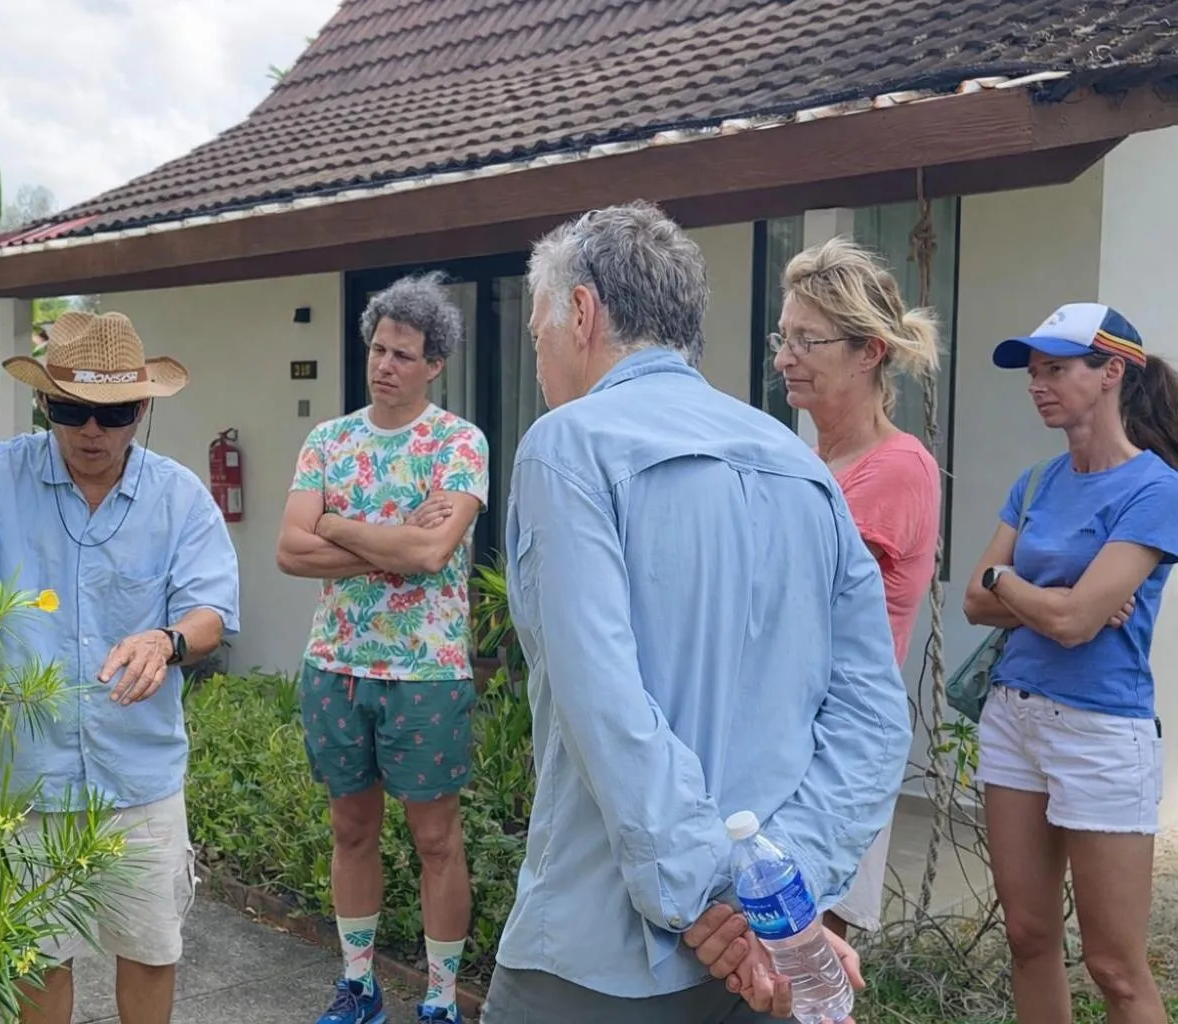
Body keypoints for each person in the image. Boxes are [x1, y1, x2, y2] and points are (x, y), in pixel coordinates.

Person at [479, 201, 907, 1024]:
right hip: (766, 960)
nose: (538, 366)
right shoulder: (803, 466)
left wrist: (715, 901)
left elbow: (606, 706)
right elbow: (874, 716)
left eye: (536, 335)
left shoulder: (568, 446)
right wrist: (778, 897)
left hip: (601, 954)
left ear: (581, 313)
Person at [0, 311, 241, 1024]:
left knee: (150, 953)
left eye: (113, 413)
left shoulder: (179, 496)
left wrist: (166, 640)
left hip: (139, 780)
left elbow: (210, 610)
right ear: (45, 402)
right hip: (20, 780)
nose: (91, 432)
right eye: (71, 410)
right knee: (34, 960)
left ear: (142, 409)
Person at [277, 271, 490, 1024]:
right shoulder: (328, 440)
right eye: (377, 348)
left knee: (436, 838)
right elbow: (288, 551)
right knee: (350, 828)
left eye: (403, 354)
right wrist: (389, 543)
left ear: (435, 364)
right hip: (334, 663)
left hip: (425, 670)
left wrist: (336, 524)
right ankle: (359, 984)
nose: (384, 365)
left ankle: (438, 999)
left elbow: (433, 556)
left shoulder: (459, 442)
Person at [963, 302, 1178, 1024]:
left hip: (1100, 734)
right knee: (1027, 936)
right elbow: (974, 597)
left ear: (1113, 371)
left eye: (1055, 368)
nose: (1037, 385)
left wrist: (1020, 588)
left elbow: (1075, 623)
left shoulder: (1155, 489)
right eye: (1033, 372)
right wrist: (1036, 594)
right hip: (1013, 718)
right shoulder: (1037, 482)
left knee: (1115, 968)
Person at [771, 237, 943, 939]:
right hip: (787, 734)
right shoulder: (808, 461)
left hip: (835, 747)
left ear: (869, 350)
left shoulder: (897, 468)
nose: (785, 358)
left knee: (811, 964)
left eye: (808, 341)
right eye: (782, 339)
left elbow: (799, 611)